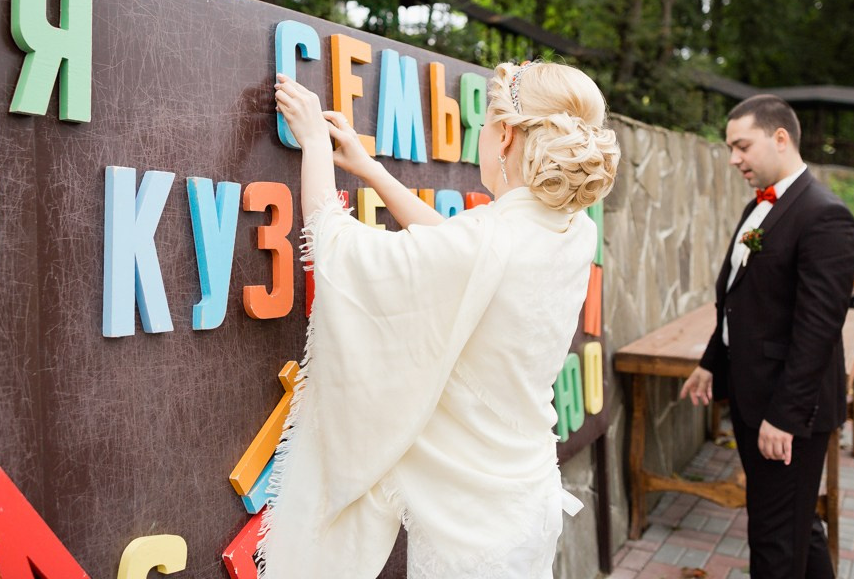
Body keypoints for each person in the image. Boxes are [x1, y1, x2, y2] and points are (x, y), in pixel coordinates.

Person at [263, 61, 620, 578]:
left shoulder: (489, 240)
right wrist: (371, 170)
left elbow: (336, 247)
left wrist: (315, 143)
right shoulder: (574, 229)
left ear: (505, 135)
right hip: (525, 498)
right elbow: (458, 251)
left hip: (470, 529)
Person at [680, 95, 854, 579]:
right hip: (753, 398)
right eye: (730, 149)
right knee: (796, 526)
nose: (734, 159)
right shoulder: (758, 206)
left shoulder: (825, 215)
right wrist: (711, 363)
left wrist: (784, 417)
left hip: (788, 411)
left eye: (742, 146)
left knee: (774, 541)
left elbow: (818, 329)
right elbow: (740, 301)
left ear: (781, 138)